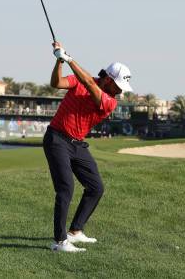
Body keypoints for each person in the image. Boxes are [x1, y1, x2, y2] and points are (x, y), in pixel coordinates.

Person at [43, 41, 132, 253]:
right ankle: (59, 241)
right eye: (118, 86)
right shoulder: (82, 81)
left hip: (77, 145)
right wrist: (60, 61)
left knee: (96, 187)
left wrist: (69, 58)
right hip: (56, 139)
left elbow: (90, 86)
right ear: (109, 80)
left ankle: (75, 231)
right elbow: (56, 83)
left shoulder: (109, 102)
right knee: (65, 189)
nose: (120, 91)